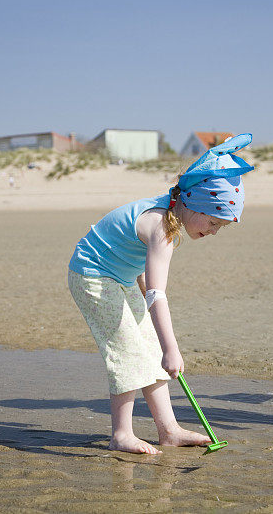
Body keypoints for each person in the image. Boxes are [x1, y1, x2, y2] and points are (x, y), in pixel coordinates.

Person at [68, 134, 254, 454]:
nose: (213, 232)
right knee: (127, 351)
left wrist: (159, 343)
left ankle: (169, 431)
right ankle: (121, 434)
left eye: (219, 227)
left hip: (121, 276)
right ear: (195, 204)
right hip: (92, 276)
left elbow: (135, 263)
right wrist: (173, 349)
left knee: (149, 350)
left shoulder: (169, 212)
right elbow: (157, 294)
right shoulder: (162, 228)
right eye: (213, 222)